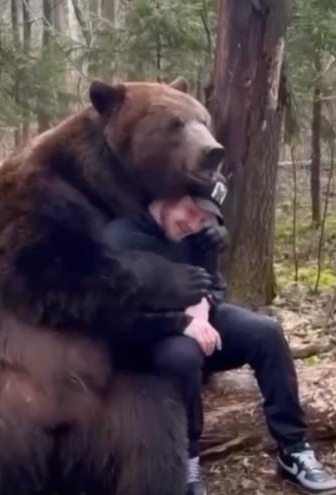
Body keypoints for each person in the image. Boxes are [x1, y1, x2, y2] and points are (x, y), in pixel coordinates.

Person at [103, 173, 336, 495]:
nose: (195, 223)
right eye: (191, 211)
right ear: (169, 193)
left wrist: (200, 311)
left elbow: (212, 286)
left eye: (205, 217)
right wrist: (183, 324)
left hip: (199, 325)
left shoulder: (197, 235)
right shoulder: (121, 237)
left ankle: (293, 448)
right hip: (149, 339)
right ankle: (186, 463)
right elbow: (115, 319)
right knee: (181, 355)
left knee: (266, 332)